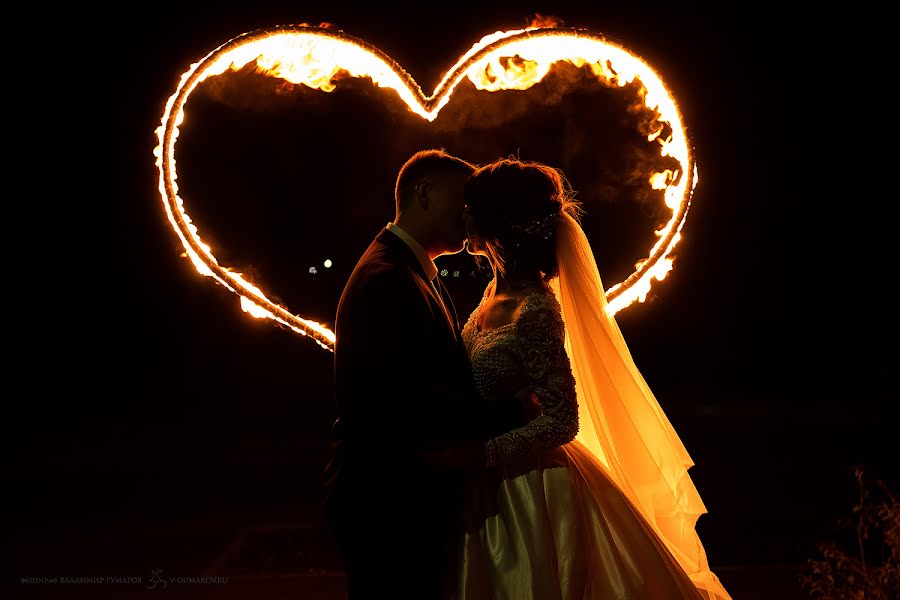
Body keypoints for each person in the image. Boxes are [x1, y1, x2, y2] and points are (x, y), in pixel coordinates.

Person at [439, 157, 733, 599]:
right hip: (487, 486)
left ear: (498, 221)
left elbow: (562, 420)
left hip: (532, 492)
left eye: (471, 206)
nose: (462, 215)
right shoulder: (493, 290)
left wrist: (482, 454)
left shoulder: (535, 308)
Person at [323, 149, 538, 599]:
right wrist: (512, 411)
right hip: (390, 504)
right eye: (463, 201)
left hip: (403, 498)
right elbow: (414, 401)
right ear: (424, 192)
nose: (470, 215)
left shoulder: (413, 271)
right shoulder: (388, 279)